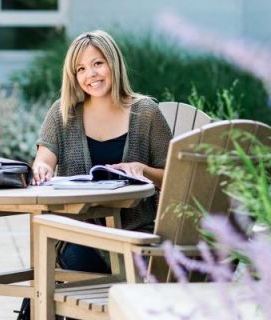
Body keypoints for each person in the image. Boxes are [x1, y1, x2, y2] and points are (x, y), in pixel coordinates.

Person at [31, 30, 172, 274]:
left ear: (113, 63)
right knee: (75, 256)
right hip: (79, 232)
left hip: (134, 233)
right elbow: (44, 159)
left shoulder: (146, 112)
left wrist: (144, 170)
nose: (91, 74)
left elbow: (175, 177)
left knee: (123, 268)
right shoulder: (63, 113)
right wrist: (42, 168)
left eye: (98, 63)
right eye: (81, 69)